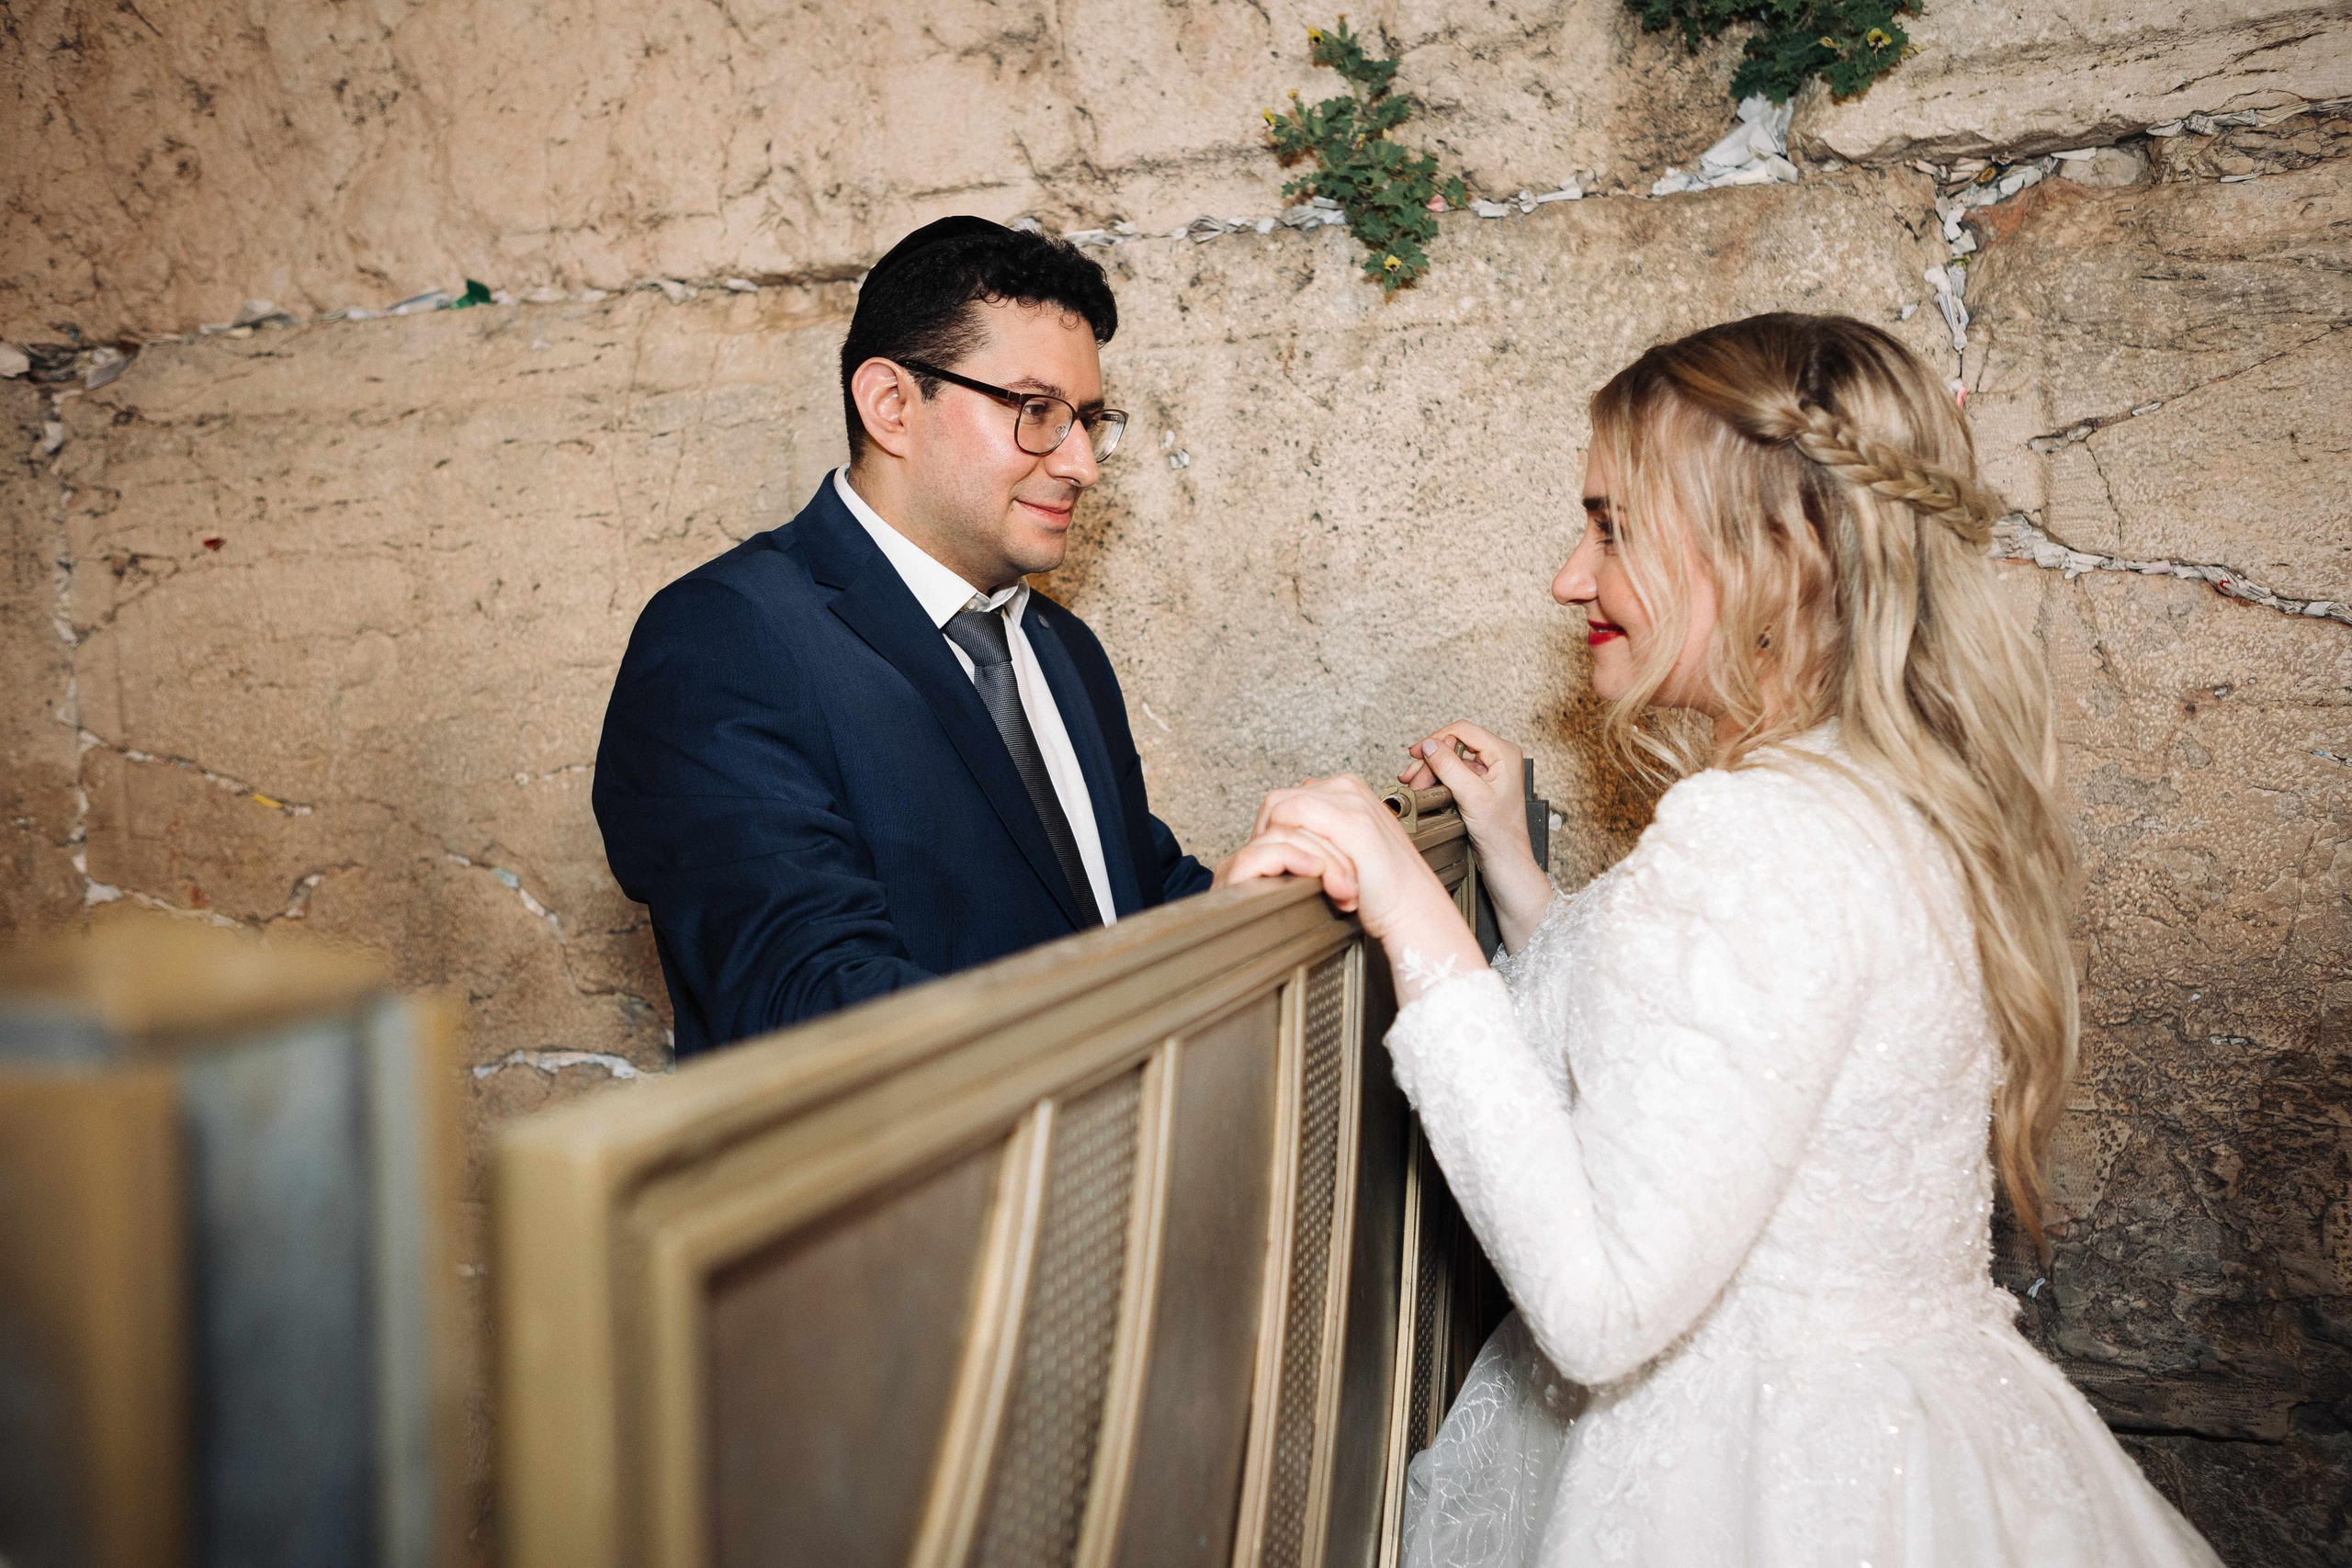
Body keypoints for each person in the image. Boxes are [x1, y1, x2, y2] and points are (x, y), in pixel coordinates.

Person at [1221, 314, 2221, 1564]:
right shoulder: (1855, 790)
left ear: (1781, 550)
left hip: (1764, 1482)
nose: (1568, 577)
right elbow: (1700, 1070)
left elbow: (1599, 1305)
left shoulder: (1757, 832)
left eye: (1612, 526)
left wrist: (1409, 904)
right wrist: (1515, 879)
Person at [594, 217, 1213, 1057]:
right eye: (1037, 411)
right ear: (891, 405)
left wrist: (1319, 881)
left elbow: (1135, 899)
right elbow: (807, 1000)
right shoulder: (725, 639)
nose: (1083, 465)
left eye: (1089, 420)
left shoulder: (1067, 652)